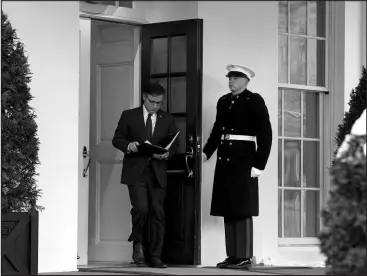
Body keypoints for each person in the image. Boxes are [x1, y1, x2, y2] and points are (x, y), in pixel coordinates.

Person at [202, 64, 272, 269]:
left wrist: (260, 164)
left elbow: (265, 134)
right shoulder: (223, 101)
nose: (231, 81)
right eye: (230, 77)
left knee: (242, 208)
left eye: (236, 77)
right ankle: (232, 255)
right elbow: (217, 130)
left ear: (246, 80)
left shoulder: (255, 100)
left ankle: (244, 255)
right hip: (225, 160)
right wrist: (206, 153)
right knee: (228, 207)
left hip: (244, 160)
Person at [112, 82, 179, 268]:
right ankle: (138, 243)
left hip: (157, 171)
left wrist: (167, 153)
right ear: (144, 97)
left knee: (158, 213)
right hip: (136, 171)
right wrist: (129, 146)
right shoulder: (129, 115)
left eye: (159, 103)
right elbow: (117, 139)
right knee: (141, 208)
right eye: (152, 102)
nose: (155, 106)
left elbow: (174, 145)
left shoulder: (167, 119)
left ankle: (155, 256)